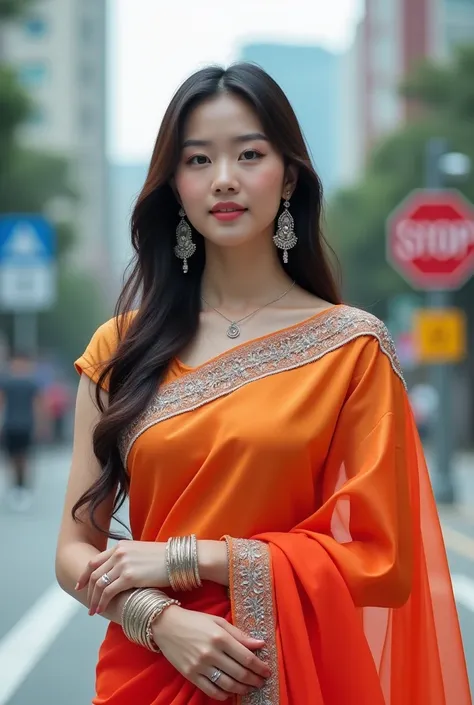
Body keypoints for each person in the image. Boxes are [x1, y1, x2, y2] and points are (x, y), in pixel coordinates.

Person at [55, 63, 470, 705]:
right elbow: (74, 552)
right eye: (198, 160)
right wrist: (162, 621)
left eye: (249, 154)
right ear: (175, 186)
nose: (224, 178)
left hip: (297, 673)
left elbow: (382, 560)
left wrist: (183, 560)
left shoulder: (349, 347)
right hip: (148, 674)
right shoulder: (120, 349)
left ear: (290, 176)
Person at [0, 350, 42, 511]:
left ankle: (23, 487)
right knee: (11, 459)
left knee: (24, 458)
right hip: (10, 425)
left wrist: (39, 425)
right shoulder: (7, 382)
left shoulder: (31, 384)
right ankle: (15, 488)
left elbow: (37, 405)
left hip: (26, 425)